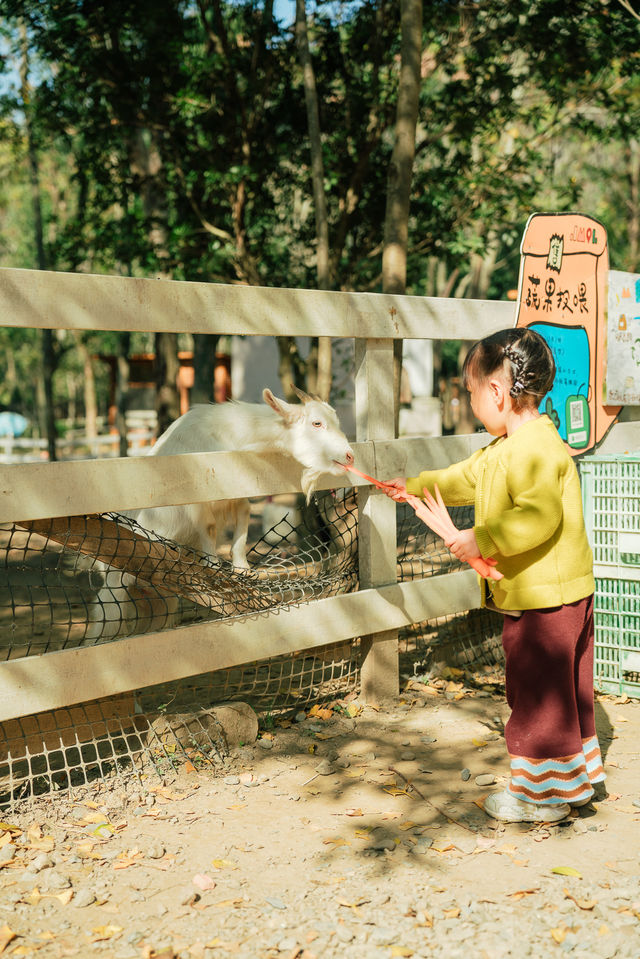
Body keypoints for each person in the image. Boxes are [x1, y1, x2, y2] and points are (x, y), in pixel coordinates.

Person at [384, 327, 605, 824]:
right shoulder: (509, 447)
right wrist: (415, 486)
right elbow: (464, 479)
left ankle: (541, 795)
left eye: (469, 391)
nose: (468, 401)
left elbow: (537, 516)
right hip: (563, 593)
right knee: (569, 692)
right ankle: (576, 779)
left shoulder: (532, 450)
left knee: (536, 694)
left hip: (544, 601)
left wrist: (480, 539)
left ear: (498, 393)